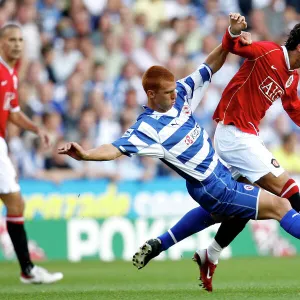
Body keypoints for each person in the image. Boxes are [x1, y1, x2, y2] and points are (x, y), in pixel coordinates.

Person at [58, 15, 300, 292]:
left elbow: (209, 66)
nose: (175, 96)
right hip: (214, 183)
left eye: (175, 90)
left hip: (216, 173)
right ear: (151, 95)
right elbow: (113, 149)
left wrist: (229, 36)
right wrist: (86, 154)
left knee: (240, 206)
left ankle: (173, 245)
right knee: (282, 204)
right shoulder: (148, 128)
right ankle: (207, 252)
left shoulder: (182, 95)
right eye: (168, 93)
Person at [0, 23, 63, 284]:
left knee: (15, 204)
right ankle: (27, 270)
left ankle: (27, 269)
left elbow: (12, 111)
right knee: (15, 203)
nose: (16, 44)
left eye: (20, 40)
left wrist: (37, 128)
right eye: (11, 39)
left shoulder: (11, 73)